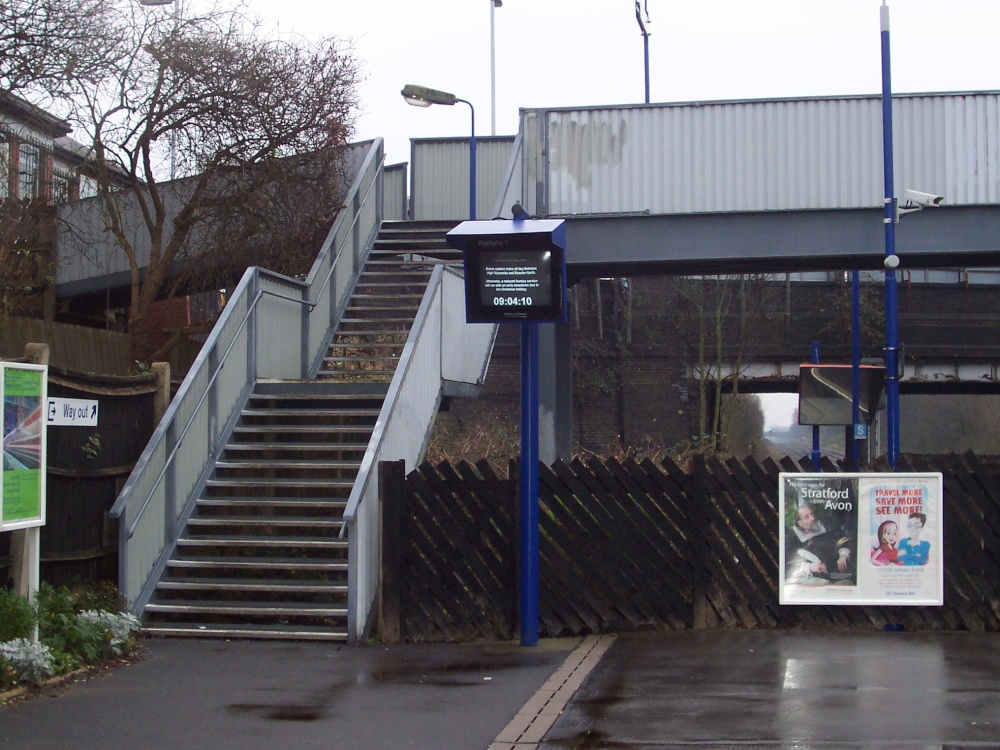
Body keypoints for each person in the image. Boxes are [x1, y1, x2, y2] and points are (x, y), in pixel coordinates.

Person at [785, 503, 854, 585]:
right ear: (800, 523)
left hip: (838, 578)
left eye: (812, 514)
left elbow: (844, 540)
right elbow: (788, 568)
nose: (813, 518)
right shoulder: (795, 543)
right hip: (814, 583)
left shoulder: (827, 529)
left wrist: (843, 554)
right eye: (807, 517)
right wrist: (810, 567)